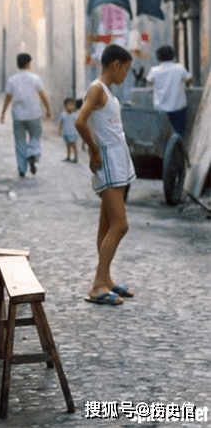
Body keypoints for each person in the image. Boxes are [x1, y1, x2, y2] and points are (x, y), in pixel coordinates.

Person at [75, 44, 136, 306]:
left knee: (108, 224)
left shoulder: (107, 92)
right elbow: (80, 121)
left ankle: (106, 279)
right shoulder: (97, 89)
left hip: (118, 160)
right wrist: (94, 150)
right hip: (108, 161)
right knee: (121, 225)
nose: (126, 76)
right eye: (126, 70)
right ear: (116, 65)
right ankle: (97, 284)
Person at [0, 53, 51, 176]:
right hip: (34, 114)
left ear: (18, 64)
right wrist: (48, 108)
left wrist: (3, 113)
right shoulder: (35, 78)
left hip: (18, 116)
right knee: (35, 137)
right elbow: (43, 95)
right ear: (29, 64)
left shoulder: (12, 80)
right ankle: (32, 154)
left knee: (20, 141)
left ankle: (22, 169)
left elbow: (8, 97)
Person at [146, 45, 193, 136]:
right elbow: (189, 79)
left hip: (161, 109)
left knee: (163, 136)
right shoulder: (179, 68)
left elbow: (149, 80)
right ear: (172, 55)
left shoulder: (154, 70)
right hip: (178, 108)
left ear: (158, 57)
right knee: (179, 135)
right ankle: (178, 150)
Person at [58, 98, 80, 163]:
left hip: (73, 133)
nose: (71, 106)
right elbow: (60, 123)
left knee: (73, 145)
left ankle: (76, 157)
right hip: (66, 132)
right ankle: (68, 157)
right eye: (69, 105)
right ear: (65, 105)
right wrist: (59, 130)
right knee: (67, 145)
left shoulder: (75, 115)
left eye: (72, 105)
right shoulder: (63, 114)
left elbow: (77, 123)